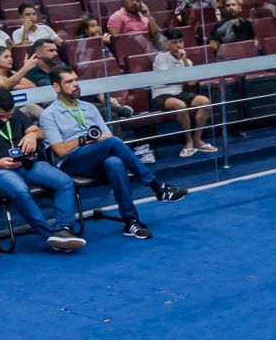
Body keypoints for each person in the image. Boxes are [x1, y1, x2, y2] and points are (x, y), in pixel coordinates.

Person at [39, 69, 187, 238]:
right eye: (69, 82)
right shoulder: (49, 115)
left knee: (115, 163)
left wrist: (97, 140)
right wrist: (84, 140)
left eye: (76, 80)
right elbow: (59, 150)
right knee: (113, 143)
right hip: (72, 162)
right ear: (56, 87)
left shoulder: (89, 108)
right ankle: (156, 186)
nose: (76, 84)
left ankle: (130, 222)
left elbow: (107, 136)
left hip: (97, 156)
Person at [0, 88, 87, 252]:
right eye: (0, 116)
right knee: (20, 190)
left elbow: (40, 132)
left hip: (25, 163)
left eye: (8, 115)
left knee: (64, 181)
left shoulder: (16, 115)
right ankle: (51, 235)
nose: (5, 119)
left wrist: (32, 135)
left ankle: (64, 229)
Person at [153, 33, 215, 156]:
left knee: (205, 102)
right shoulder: (161, 57)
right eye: (174, 42)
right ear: (167, 44)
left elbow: (191, 82)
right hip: (161, 94)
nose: (179, 45)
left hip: (179, 93)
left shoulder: (187, 61)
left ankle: (197, 140)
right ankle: (189, 141)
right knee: (181, 105)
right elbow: (166, 80)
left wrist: (184, 60)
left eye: (181, 41)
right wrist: (184, 78)